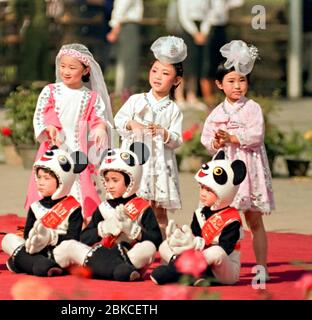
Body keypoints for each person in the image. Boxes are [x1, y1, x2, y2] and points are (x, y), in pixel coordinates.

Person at [201, 40, 275, 278]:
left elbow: (256, 135)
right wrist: (216, 141)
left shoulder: (252, 108)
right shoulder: (217, 112)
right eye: (231, 81)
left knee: (254, 221)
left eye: (242, 80)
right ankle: (223, 265)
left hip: (249, 169)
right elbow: (206, 138)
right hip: (226, 175)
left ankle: (261, 267)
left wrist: (233, 136)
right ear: (219, 84)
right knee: (224, 220)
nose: (237, 86)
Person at [26, 43, 114, 220]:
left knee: (79, 185)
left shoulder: (90, 97)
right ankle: (47, 217)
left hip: (77, 150)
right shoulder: (50, 91)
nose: (66, 71)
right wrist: (49, 127)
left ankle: (77, 219)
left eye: (72, 67)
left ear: (85, 70)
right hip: (54, 146)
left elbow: (98, 117)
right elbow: (42, 113)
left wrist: (100, 128)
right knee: (50, 180)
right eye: (63, 66)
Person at [52, 142, 163, 281]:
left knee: (148, 248)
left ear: (130, 181)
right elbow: (83, 238)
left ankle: (114, 270)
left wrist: (135, 231)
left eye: (115, 180)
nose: (109, 186)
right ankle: (119, 272)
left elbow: (157, 241)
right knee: (68, 245)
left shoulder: (142, 207)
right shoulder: (103, 207)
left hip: (128, 255)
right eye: (107, 180)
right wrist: (101, 229)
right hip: (102, 256)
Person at [114, 36, 186, 237]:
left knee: (158, 210)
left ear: (176, 81)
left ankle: (162, 250)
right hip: (136, 162)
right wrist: (132, 123)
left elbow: (177, 139)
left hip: (159, 166)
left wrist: (164, 133)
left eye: (165, 73)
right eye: (155, 71)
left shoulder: (173, 109)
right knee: (131, 206)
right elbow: (119, 120)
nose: (158, 76)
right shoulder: (136, 100)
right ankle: (127, 246)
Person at [151, 150, 247, 285]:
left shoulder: (232, 220)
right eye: (202, 188)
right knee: (165, 245)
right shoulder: (199, 213)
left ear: (224, 192)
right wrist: (182, 240)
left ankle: (176, 270)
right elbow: (194, 236)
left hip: (224, 270)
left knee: (217, 251)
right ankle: (196, 275)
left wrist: (196, 245)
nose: (202, 193)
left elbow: (225, 249)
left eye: (209, 190)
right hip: (199, 261)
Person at [2, 146, 87, 277]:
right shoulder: (35, 206)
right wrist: (35, 241)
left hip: (58, 253)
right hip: (35, 252)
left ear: (62, 181)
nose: (40, 182)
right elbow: (26, 235)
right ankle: (36, 264)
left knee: (71, 247)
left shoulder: (73, 208)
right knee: (7, 239)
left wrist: (51, 238)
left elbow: (73, 238)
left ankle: (23, 262)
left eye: (46, 178)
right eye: (39, 177)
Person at [107, 0, 142, 96]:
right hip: (126, 25)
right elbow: (122, 5)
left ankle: (124, 94)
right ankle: (122, 94)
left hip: (126, 25)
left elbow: (122, 6)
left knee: (127, 62)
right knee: (126, 62)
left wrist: (115, 26)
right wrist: (116, 26)